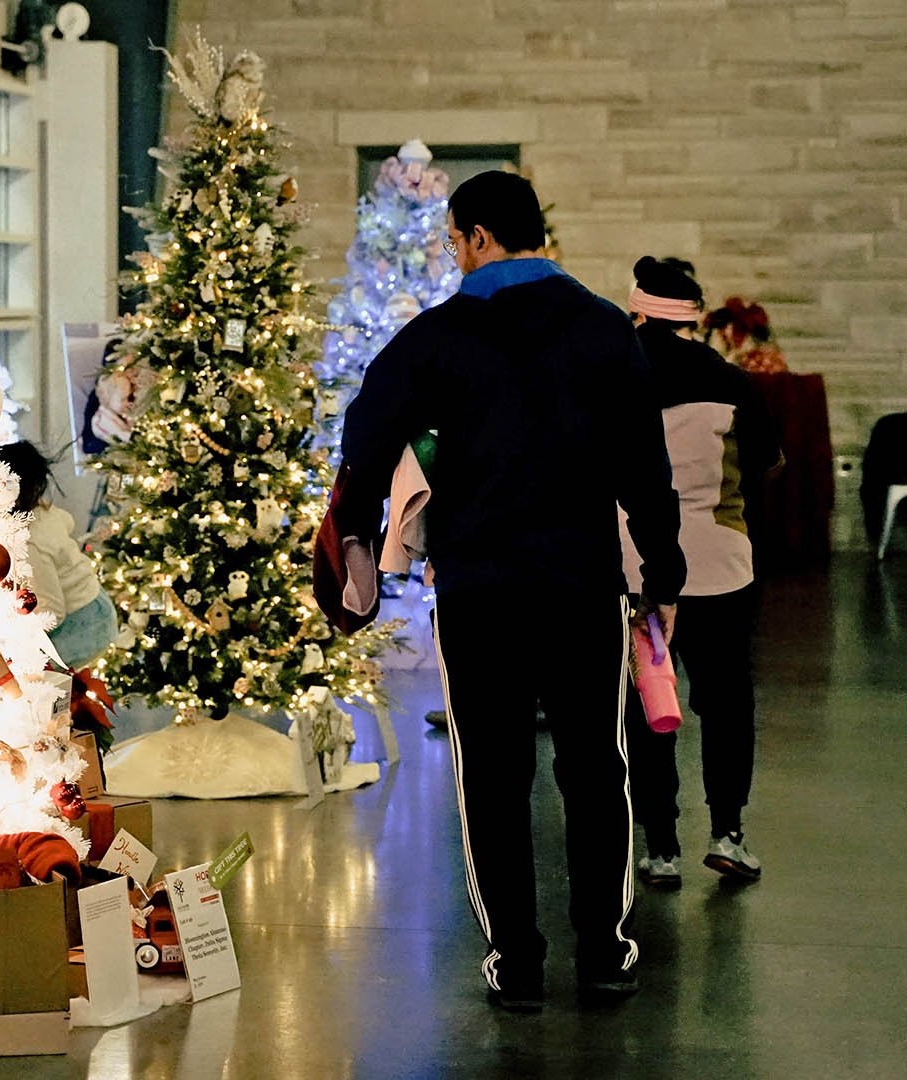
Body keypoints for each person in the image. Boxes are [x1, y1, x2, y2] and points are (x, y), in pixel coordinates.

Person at [337, 171, 685, 1011]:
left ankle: (518, 967)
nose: (454, 255)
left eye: (456, 240)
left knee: (491, 777)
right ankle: (605, 954)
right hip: (579, 587)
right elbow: (646, 465)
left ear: (482, 237)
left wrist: (356, 534)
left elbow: (365, 432)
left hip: (481, 592)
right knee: (597, 770)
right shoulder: (606, 330)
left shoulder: (439, 337)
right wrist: (662, 577)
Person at [620, 257, 781, 888]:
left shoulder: (613, 379)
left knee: (650, 705)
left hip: (635, 569)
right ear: (694, 315)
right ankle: (728, 833)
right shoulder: (733, 381)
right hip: (721, 567)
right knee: (726, 702)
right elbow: (766, 463)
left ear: (637, 310)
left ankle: (660, 848)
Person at [0, 441, 118, 668]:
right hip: (96, 604)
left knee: (30, 673)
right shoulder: (42, 511)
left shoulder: (29, 539)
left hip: (83, 623)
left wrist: (19, 635)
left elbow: (51, 611)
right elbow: (66, 523)